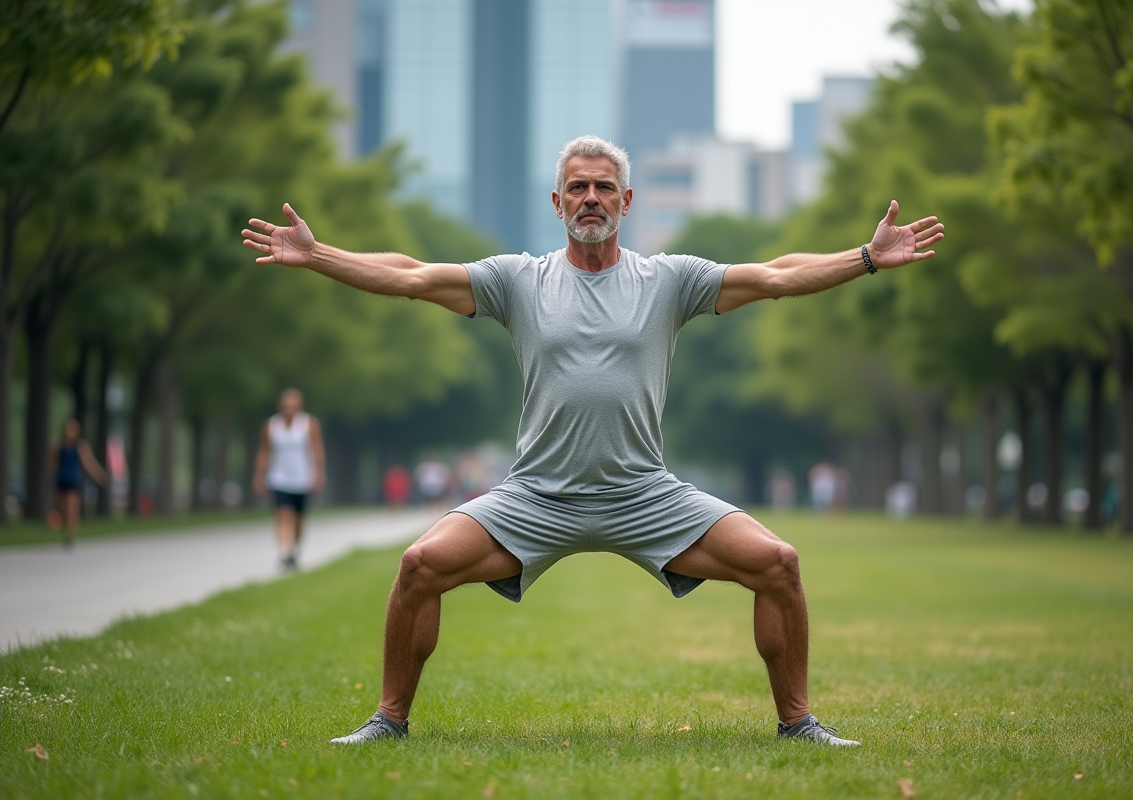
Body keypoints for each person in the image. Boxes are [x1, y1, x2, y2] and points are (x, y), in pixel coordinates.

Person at [242, 135, 943, 747]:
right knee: (421, 566)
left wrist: (866, 257)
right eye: (576, 186)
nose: (589, 197)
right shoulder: (519, 280)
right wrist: (319, 255)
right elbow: (414, 277)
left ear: (626, 200)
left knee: (778, 564)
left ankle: (798, 724)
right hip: (536, 497)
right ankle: (388, 721)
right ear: (556, 202)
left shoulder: (668, 280)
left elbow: (775, 277)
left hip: (645, 495)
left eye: (603, 187)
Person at [253, 389, 326, 571]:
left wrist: (318, 472)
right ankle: (285, 553)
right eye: (286, 406)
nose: (289, 410)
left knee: (299, 519)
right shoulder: (271, 426)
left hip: (302, 478)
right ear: (280, 407)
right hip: (279, 478)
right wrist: (259, 475)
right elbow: (265, 451)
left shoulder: (308, 424)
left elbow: (316, 449)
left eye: (293, 406)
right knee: (283, 514)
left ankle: (295, 549)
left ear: (299, 407)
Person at [48, 419, 108, 548]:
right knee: (63, 509)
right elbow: (52, 464)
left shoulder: (80, 446)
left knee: (71, 508)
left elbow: (89, 463)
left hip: (74, 480)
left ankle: (69, 536)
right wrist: (49, 478)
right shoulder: (57, 445)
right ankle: (66, 529)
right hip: (61, 479)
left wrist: (99, 475)